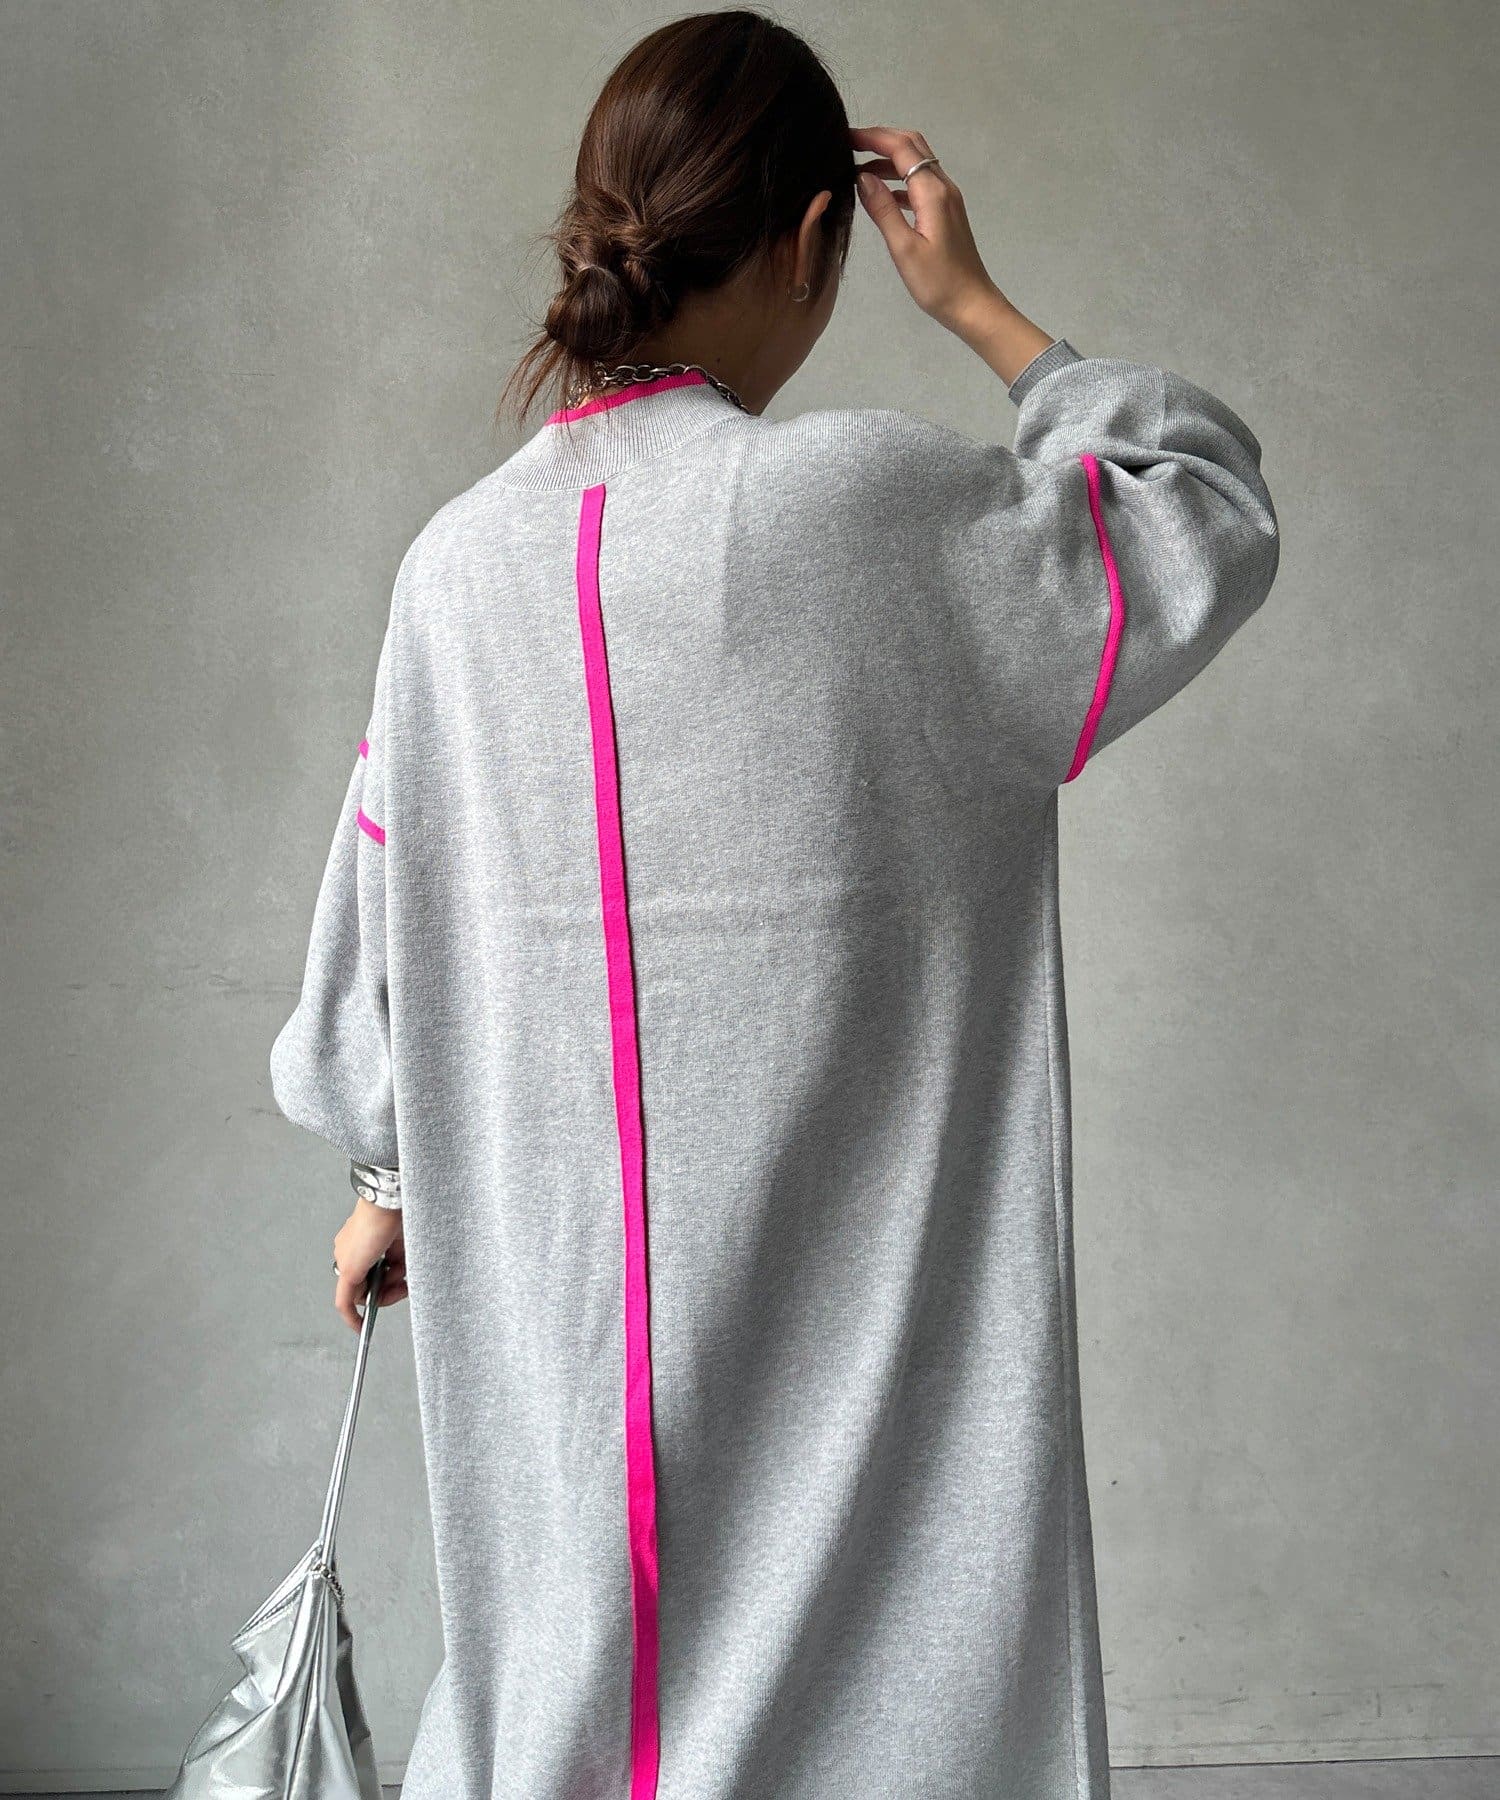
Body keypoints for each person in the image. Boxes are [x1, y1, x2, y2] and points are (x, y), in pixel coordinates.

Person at [268, 10, 1280, 1798]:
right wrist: (983, 309)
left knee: (573, 1693)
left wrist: (390, 1181)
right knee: (869, 1712)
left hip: (560, 1314)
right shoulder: (864, 508)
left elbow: (384, 900)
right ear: (818, 238)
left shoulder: (454, 569)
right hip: (849, 1322)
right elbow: (1200, 507)